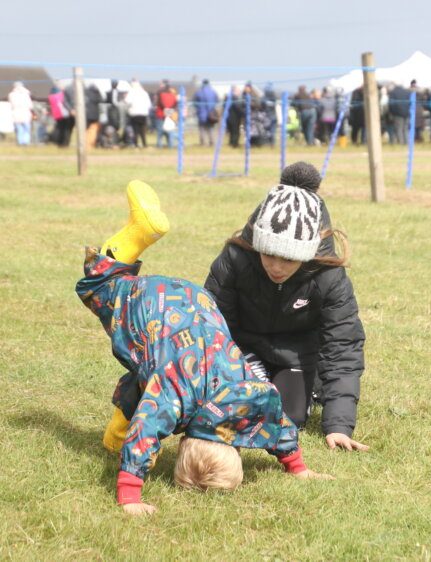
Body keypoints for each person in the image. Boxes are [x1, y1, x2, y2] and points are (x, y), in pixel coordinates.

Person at [75, 180, 332, 515]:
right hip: (155, 308)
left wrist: (299, 466)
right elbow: (147, 431)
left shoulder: (248, 396)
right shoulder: (175, 397)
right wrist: (130, 495)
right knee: (100, 287)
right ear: (185, 441)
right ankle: (137, 234)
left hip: (198, 308)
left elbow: (277, 421)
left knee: (146, 377)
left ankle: (112, 438)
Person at [204, 162, 368, 453]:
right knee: (239, 408)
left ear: (306, 255)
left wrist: (338, 425)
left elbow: (343, 346)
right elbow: (210, 326)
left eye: (289, 259)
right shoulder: (235, 259)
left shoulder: (329, 277)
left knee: (288, 418)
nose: (276, 267)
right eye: (268, 255)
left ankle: (308, 388)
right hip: (242, 350)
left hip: (297, 355)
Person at [125, 79, 152, 148]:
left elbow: (127, 101)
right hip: (143, 114)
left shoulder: (131, 92)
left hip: (134, 113)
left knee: (135, 130)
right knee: (142, 130)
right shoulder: (144, 92)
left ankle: (136, 144)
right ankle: (144, 144)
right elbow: (149, 104)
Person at [193, 79, 219, 146]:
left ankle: (203, 143)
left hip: (201, 114)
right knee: (211, 128)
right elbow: (217, 100)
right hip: (211, 114)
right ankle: (212, 142)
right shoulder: (213, 92)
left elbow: (194, 102)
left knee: (202, 129)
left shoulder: (199, 92)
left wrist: (198, 108)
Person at [154, 79, 178, 148]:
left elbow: (159, 103)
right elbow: (175, 104)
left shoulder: (160, 94)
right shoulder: (173, 95)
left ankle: (159, 145)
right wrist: (169, 111)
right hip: (170, 114)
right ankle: (170, 145)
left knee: (160, 131)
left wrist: (165, 109)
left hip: (160, 114)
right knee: (170, 131)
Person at [8, 81, 33, 146]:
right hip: (25, 114)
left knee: (19, 129)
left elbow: (12, 105)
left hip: (16, 114)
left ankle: (20, 142)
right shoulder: (26, 94)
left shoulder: (11, 94)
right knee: (26, 129)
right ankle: (26, 142)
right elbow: (30, 105)